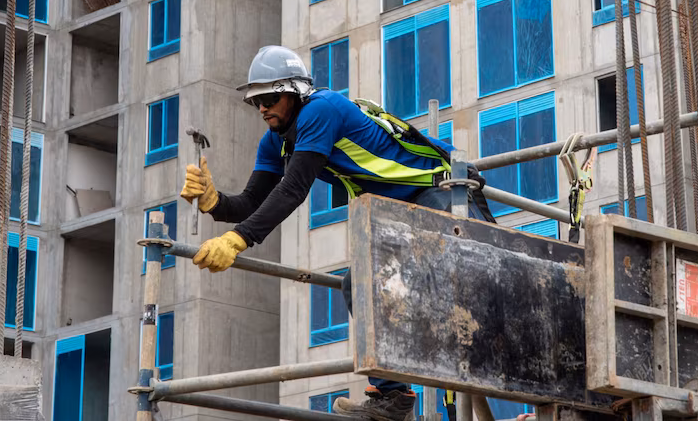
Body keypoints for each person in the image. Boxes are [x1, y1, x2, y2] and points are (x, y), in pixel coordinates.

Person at [180, 45, 491, 421]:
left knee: (469, 287)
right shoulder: (275, 141)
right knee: (357, 284)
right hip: (395, 213)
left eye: (269, 98)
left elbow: (293, 189)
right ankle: (393, 398)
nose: (262, 108)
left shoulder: (320, 110)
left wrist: (238, 239)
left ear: (295, 91)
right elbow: (250, 202)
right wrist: (214, 202)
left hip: (437, 190)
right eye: (255, 101)